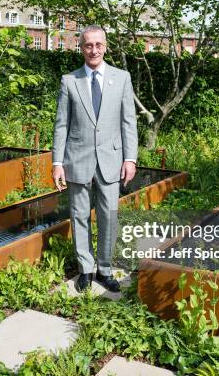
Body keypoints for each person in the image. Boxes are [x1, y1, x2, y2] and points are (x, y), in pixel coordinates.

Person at [52, 25, 138, 292]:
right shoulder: (70, 81)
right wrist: (57, 162)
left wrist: (130, 159)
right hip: (77, 160)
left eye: (98, 45)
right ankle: (86, 269)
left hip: (112, 161)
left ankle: (105, 269)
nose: (94, 50)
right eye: (88, 45)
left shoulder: (121, 78)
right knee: (79, 216)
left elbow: (128, 122)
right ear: (81, 48)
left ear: (105, 46)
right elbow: (61, 125)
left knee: (108, 217)